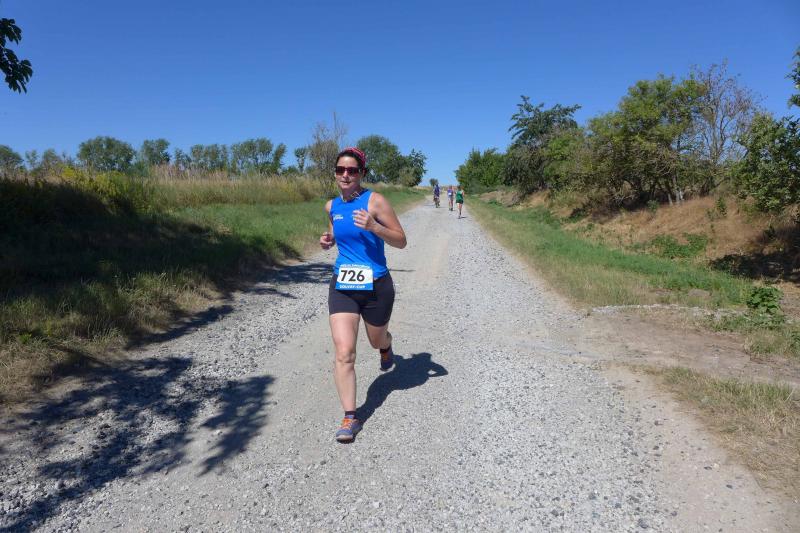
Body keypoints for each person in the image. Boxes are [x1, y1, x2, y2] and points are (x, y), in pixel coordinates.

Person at [319, 146, 408, 442]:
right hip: (343, 284)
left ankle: (386, 346)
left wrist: (374, 227)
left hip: (376, 285)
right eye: (340, 170)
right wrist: (328, 240)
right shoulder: (332, 206)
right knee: (344, 352)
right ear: (335, 173)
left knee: (375, 339)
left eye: (352, 170)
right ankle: (350, 416)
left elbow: (401, 240)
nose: (346, 175)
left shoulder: (375, 201)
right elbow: (336, 233)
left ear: (362, 173)